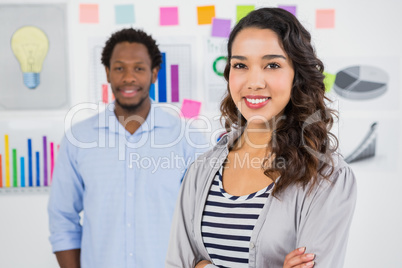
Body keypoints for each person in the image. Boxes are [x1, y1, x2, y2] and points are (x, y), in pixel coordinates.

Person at [166, 8, 356, 268]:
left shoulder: (326, 177)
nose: (254, 82)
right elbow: (178, 264)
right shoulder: (201, 170)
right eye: (240, 65)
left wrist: (203, 266)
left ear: (297, 75)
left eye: (272, 65)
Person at [48, 28, 208, 268]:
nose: (128, 78)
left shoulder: (187, 139)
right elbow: (62, 219)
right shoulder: (79, 139)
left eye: (139, 68)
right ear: (108, 73)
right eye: (120, 68)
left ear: (154, 74)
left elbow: (204, 221)